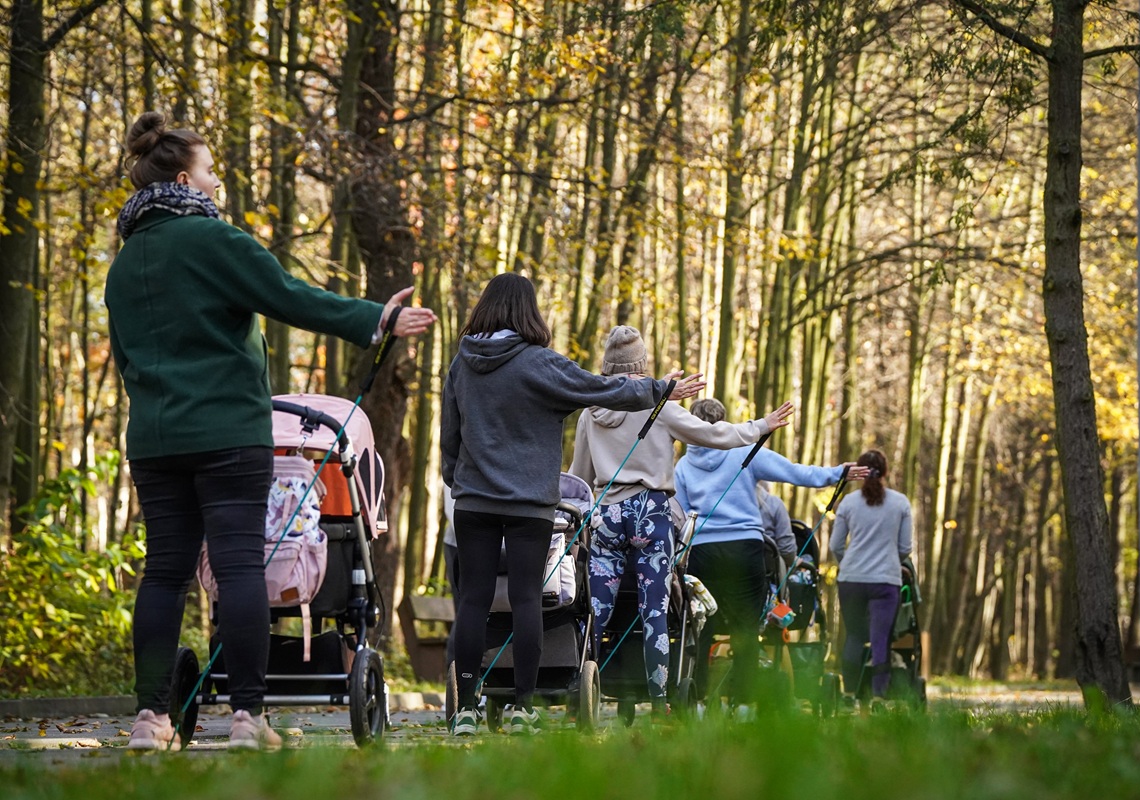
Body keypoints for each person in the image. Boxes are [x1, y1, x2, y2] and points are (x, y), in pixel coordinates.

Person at [106, 111, 436, 751]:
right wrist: (378, 319)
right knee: (238, 569)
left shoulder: (125, 265)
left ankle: (150, 720)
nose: (216, 181)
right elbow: (288, 295)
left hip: (154, 440)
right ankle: (248, 719)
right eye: (210, 170)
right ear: (185, 179)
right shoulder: (213, 240)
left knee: (165, 574)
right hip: (229, 432)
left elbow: (125, 361)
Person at [441, 274, 703, 737]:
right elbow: (600, 389)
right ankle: (523, 707)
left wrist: (458, 481)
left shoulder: (461, 364)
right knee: (525, 600)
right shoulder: (539, 364)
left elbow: (450, 436)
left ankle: (466, 708)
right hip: (530, 506)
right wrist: (657, 389)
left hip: (473, 502)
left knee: (472, 601)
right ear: (528, 312)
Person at [569, 326, 794, 719]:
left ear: (607, 366)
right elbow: (711, 436)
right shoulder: (660, 406)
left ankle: (584, 690)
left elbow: (579, 475)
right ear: (642, 364)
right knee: (654, 611)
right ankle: (659, 702)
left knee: (598, 610)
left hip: (606, 516)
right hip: (650, 517)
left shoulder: (591, 411)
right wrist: (760, 426)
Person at [673, 399, 869, 713]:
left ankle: (698, 700)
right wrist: (838, 473)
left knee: (702, 626)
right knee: (746, 629)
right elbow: (793, 472)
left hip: (703, 552)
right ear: (724, 422)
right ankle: (743, 704)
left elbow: (681, 516)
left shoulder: (683, 465)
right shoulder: (743, 451)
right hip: (746, 550)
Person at [829, 449, 912, 707]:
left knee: (853, 635)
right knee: (881, 638)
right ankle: (877, 696)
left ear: (860, 472)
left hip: (851, 580)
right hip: (885, 581)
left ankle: (848, 696)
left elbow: (835, 546)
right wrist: (890, 563)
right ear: (886, 472)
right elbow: (905, 547)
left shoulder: (848, 503)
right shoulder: (900, 503)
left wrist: (850, 565)